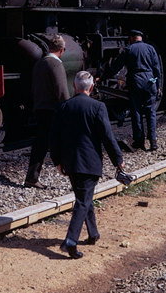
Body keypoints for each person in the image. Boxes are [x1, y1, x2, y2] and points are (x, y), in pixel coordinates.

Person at [50, 71, 125, 259]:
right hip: (90, 163)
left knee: (85, 197)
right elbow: (107, 136)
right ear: (91, 87)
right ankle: (70, 241)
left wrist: (57, 160)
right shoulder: (98, 107)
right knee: (83, 201)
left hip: (70, 162)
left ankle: (93, 234)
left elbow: (54, 137)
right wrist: (118, 160)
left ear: (74, 87)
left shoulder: (64, 107)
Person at [103, 30, 162, 151]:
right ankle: (153, 141)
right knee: (151, 112)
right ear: (140, 38)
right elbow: (157, 68)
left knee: (137, 111)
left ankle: (139, 141)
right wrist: (158, 84)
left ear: (131, 38)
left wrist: (103, 77)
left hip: (136, 81)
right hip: (150, 81)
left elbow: (116, 67)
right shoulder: (150, 48)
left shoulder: (129, 49)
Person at [24, 34, 70, 189]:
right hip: (53, 111)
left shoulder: (39, 63)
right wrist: (68, 108)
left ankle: (32, 177)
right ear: (62, 50)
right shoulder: (55, 64)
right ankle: (73, 177)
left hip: (40, 108)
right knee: (65, 141)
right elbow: (62, 91)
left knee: (40, 144)